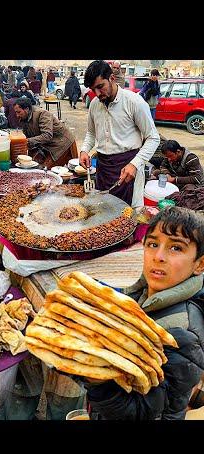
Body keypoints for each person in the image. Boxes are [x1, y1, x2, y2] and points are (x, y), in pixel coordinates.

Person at [84, 207, 204, 420]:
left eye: (176, 248)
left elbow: (144, 412)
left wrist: (98, 380)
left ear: (199, 264)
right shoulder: (139, 296)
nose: (158, 256)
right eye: (153, 244)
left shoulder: (183, 334)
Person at [80, 60, 160, 207]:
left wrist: (135, 165)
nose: (97, 94)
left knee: (127, 215)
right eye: (93, 89)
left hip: (128, 168)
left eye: (100, 87)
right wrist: (84, 150)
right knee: (103, 211)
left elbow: (153, 138)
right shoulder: (94, 105)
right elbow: (91, 133)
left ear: (112, 78)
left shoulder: (134, 102)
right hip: (103, 167)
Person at [13, 97, 77, 169]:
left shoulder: (42, 114)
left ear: (27, 109)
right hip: (47, 145)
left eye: (18, 112)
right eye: (15, 112)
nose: (17, 115)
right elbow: (27, 138)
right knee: (34, 165)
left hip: (62, 143)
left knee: (47, 170)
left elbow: (47, 136)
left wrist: (26, 141)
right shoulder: (23, 118)